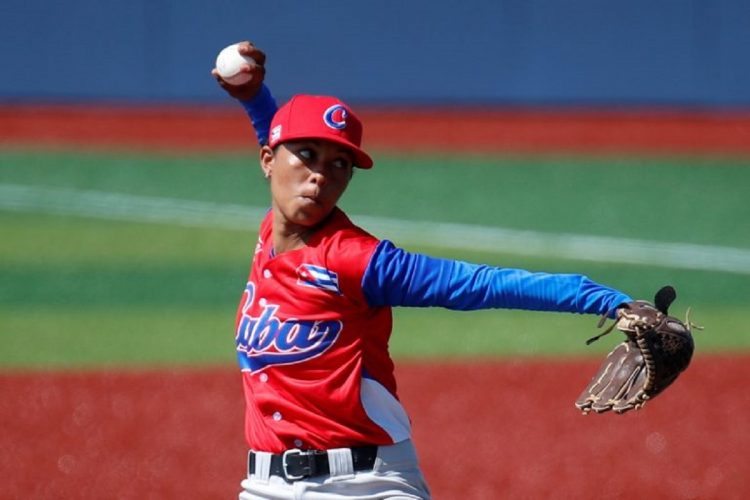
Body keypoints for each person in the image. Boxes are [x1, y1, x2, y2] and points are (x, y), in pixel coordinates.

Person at [213, 42, 633, 500]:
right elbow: (273, 137)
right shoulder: (270, 231)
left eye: (339, 164)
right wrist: (254, 98)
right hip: (263, 488)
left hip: (365, 486)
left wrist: (606, 300)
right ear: (268, 162)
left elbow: (480, 284)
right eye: (308, 155)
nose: (320, 175)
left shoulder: (354, 259)